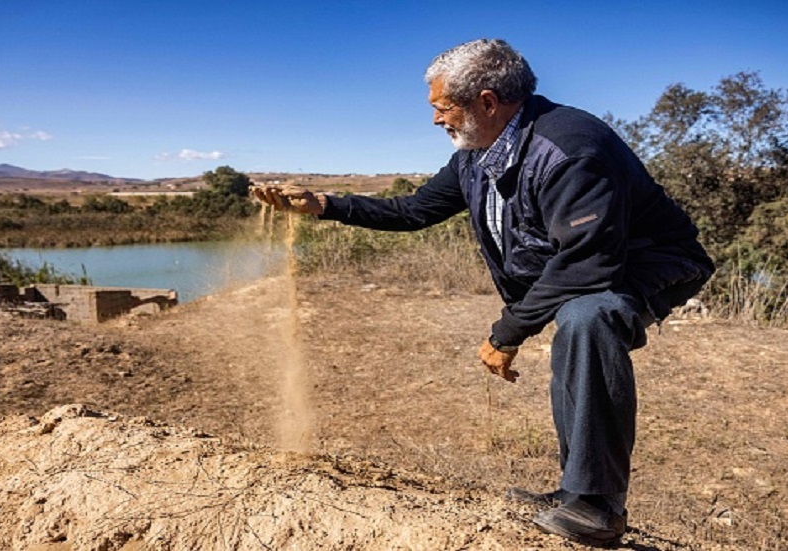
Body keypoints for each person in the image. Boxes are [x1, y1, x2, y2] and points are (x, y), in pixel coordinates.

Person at [251, 38, 714, 548]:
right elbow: (414, 211)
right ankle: (575, 491)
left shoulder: (571, 148)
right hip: (584, 263)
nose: (435, 120)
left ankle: (597, 506)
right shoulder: (477, 153)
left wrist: (508, 331)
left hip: (650, 260)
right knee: (576, 332)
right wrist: (323, 204)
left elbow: (587, 263)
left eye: (442, 107)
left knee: (589, 318)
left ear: (487, 102)